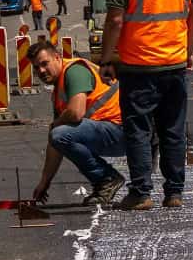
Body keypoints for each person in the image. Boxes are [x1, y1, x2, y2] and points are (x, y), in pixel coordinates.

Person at [99, 0, 193, 210]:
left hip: (139, 67)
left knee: (139, 130)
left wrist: (106, 59)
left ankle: (141, 192)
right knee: (173, 129)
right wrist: (188, 50)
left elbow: (116, 20)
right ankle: (174, 193)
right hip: (175, 64)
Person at [27, 40, 127, 207]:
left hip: (123, 130)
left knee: (60, 133)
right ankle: (105, 179)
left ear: (57, 58)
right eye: (37, 68)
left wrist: (55, 125)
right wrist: (45, 182)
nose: (41, 71)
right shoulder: (59, 90)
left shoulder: (74, 71)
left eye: (45, 64)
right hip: (110, 131)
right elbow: (56, 143)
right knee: (58, 135)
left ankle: (106, 179)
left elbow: (75, 112)